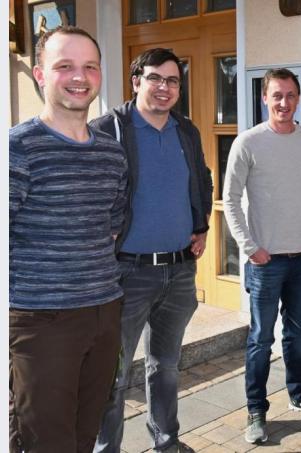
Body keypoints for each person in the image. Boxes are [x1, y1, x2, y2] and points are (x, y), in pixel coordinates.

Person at [9, 26, 128, 453]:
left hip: (103, 312)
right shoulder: (18, 150)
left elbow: (111, 226)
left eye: (89, 67)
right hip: (43, 322)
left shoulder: (111, 152)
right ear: (40, 75)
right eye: (65, 66)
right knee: (45, 442)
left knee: (85, 435)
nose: (79, 76)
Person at [90, 48, 213, 453]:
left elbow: (202, 179)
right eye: (155, 78)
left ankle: (167, 441)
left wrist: (201, 226)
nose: (164, 87)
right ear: (136, 81)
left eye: (173, 80)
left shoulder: (186, 130)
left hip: (178, 272)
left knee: (167, 366)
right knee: (113, 374)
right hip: (126, 274)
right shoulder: (107, 130)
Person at [223, 68, 301, 444]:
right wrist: (250, 248)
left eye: (290, 95)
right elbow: (230, 199)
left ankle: (299, 394)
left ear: (298, 99)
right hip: (265, 262)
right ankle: (256, 411)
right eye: (276, 96)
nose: (283, 103)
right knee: (260, 339)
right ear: (264, 99)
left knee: (296, 335)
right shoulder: (248, 143)